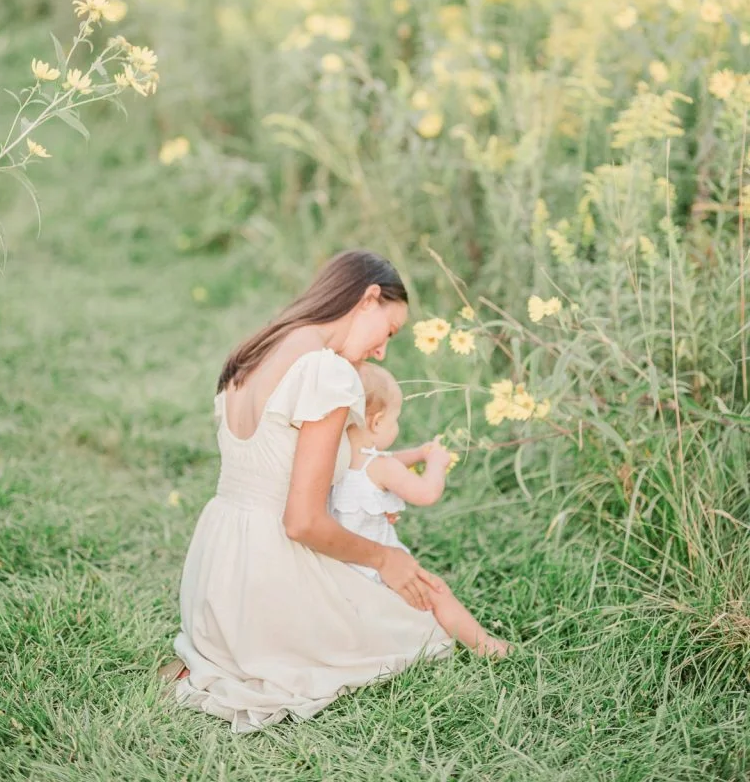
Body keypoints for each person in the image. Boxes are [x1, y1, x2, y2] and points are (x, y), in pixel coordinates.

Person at [160, 250, 457, 733]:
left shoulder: (255, 352)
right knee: (423, 631)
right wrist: (385, 559)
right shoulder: (326, 371)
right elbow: (301, 521)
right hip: (270, 572)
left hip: (217, 570)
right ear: (369, 299)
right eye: (391, 331)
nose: (383, 352)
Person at [330, 362, 512, 658]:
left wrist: (418, 454)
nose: (396, 427)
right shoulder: (381, 467)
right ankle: (487, 647)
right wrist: (436, 465)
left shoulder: (334, 463)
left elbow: (389, 457)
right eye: (395, 420)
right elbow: (426, 493)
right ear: (376, 423)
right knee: (438, 594)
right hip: (380, 569)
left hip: (344, 569)